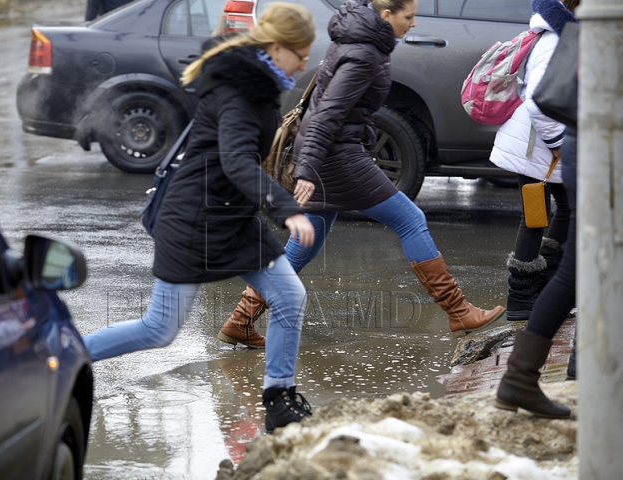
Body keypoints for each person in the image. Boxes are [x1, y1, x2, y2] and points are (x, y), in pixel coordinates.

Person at [83, 2, 317, 433]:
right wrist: (284, 208)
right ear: (277, 47)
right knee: (159, 328)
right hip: (194, 218)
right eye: (301, 53)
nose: (305, 62)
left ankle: (278, 401)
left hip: (231, 216)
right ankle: (66, 355)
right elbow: (236, 161)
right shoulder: (240, 88)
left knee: (289, 296)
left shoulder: (258, 78)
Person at [217, 0, 505, 349]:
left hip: (330, 155)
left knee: (304, 244)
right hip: (337, 158)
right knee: (410, 219)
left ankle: (240, 321)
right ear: (386, 15)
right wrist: (306, 169)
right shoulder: (365, 54)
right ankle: (458, 312)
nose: (413, 24)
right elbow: (327, 113)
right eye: (408, 17)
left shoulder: (357, 39)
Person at [495, 3, 579, 418]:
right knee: (536, 217)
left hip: (546, 153)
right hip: (533, 152)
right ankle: (521, 295)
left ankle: (541, 283)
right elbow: (538, 102)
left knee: (561, 213)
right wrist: (563, 142)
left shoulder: (563, 35)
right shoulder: (554, 39)